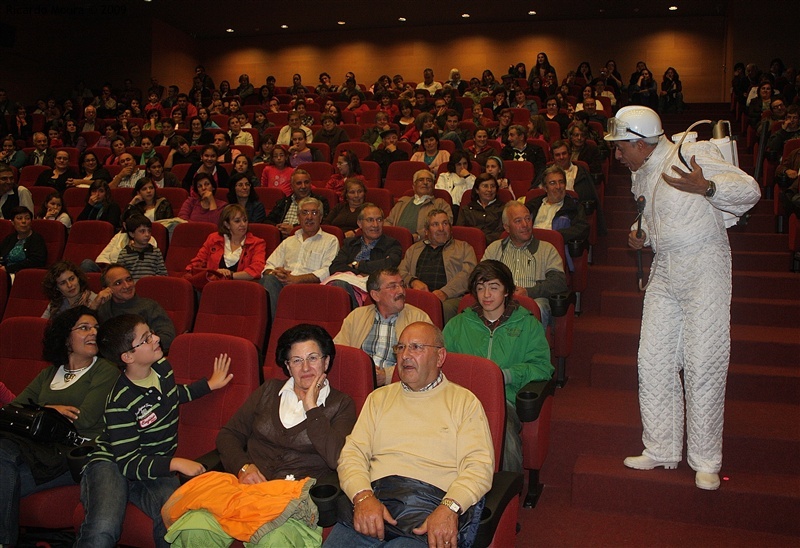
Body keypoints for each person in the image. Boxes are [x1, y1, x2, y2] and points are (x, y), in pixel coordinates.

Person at [606, 105, 760, 491]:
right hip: (665, 268)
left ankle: (706, 460)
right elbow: (655, 217)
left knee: (703, 362)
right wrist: (639, 235)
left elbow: (750, 191)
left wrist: (706, 187)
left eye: (621, 146)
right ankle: (661, 447)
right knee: (653, 359)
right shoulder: (640, 173)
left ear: (640, 143)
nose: (617, 154)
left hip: (705, 264)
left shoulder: (692, 154)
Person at [163, 323, 357, 546]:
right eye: (296, 360)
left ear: (326, 361)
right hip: (245, 494)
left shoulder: (341, 404)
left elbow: (336, 458)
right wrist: (243, 467)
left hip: (292, 504)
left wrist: (312, 408)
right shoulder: (269, 391)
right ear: (287, 366)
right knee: (195, 529)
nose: (305, 368)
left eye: (313, 358)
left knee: (272, 540)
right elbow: (228, 435)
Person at [325, 321, 493, 547]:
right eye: (401, 348)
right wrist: (362, 496)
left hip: (429, 511)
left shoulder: (464, 402)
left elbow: (479, 466)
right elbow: (352, 455)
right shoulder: (379, 398)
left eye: (416, 347)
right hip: (374, 505)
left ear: (440, 357)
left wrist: (449, 507)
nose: (405, 356)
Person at [75, 313, 232, 548]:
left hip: (151, 465)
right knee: (104, 526)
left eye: (151, 333)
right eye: (146, 338)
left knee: (174, 517)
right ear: (127, 356)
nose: (156, 338)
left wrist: (208, 385)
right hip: (113, 462)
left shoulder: (162, 368)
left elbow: (170, 396)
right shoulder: (120, 401)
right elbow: (127, 463)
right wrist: (175, 463)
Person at [0, 307, 118, 548]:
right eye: (84, 327)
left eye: (96, 327)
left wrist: (42, 411)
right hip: (36, 451)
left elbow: (83, 420)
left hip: (73, 455)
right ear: (66, 337)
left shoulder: (105, 370)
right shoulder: (49, 374)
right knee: (4, 453)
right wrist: (52, 408)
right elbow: (13, 411)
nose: (93, 332)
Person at [443, 260, 552, 472]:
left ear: (507, 291)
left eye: (494, 287)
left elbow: (542, 367)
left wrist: (507, 375)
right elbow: (443, 363)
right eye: (480, 288)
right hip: (461, 399)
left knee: (503, 431)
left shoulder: (527, 324)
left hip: (505, 399)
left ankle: (505, 492)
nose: (486, 295)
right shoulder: (458, 324)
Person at [334, 267, 432, 386]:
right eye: (393, 286)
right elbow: (339, 352)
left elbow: (427, 359)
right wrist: (362, 372)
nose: (401, 290)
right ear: (375, 295)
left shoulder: (418, 319)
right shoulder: (357, 316)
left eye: (401, 284)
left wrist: (388, 375)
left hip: (399, 386)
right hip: (359, 382)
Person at [483, 201, 568, 327]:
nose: (525, 225)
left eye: (528, 219)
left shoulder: (547, 249)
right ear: (506, 227)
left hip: (533, 300)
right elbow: (481, 278)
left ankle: (533, 346)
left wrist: (529, 292)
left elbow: (558, 282)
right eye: (518, 221)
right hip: (500, 301)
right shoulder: (494, 249)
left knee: (538, 306)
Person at [261, 197, 339, 319]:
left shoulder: (330, 240)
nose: (309, 217)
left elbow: (327, 270)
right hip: (283, 286)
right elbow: (268, 266)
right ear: (298, 217)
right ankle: (274, 326)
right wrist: (276, 273)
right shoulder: (288, 241)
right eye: (305, 213)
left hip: (311, 288)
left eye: (314, 213)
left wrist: (296, 279)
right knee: (269, 279)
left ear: (321, 217)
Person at [399, 209, 477, 324]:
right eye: (435, 224)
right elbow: (400, 271)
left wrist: (445, 292)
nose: (441, 228)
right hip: (418, 295)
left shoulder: (464, 248)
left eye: (445, 223)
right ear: (426, 230)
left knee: (442, 309)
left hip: (451, 297)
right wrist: (412, 281)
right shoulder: (414, 249)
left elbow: (469, 274)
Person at [328, 204, 403, 308]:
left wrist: (356, 265)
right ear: (360, 223)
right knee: (336, 287)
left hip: (375, 288)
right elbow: (335, 267)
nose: (375, 225)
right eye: (370, 220)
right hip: (349, 285)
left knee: (340, 286)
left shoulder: (392, 244)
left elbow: (388, 265)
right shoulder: (350, 244)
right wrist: (359, 274)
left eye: (379, 220)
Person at [96, 263, 177, 352]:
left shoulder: (149, 306)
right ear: (106, 289)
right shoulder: (103, 310)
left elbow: (168, 337)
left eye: (129, 279)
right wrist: (94, 305)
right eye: (118, 283)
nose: (127, 286)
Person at [185, 203, 267, 286]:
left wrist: (230, 275)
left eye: (245, 220)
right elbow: (198, 262)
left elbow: (257, 269)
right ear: (227, 224)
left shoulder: (257, 243)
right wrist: (214, 272)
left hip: (241, 287)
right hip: (213, 286)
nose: (243, 224)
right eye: (237, 221)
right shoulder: (213, 239)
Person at [527, 165, 590, 261]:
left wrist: (555, 236)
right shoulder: (532, 205)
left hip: (555, 252)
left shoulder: (573, 206)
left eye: (561, 182)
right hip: (529, 248)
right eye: (552, 183)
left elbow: (582, 228)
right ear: (545, 187)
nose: (558, 187)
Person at [385, 169, 453, 243]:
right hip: (395, 242)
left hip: (424, 244)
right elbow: (388, 222)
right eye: (421, 180)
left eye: (429, 180)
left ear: (433, 186)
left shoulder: (440, 204)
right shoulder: (402, 202)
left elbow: (447, 224)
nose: (425, 183)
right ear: (414, 186)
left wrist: (419, 236)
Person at [265, 169, 330, 238]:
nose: (303, 186)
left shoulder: (319, 201)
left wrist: (294, 228)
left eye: (306, 182)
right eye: (299, 183)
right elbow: (268, 221)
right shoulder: (284, 202)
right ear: (292, 186)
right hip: (283, 239)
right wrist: (278, 228)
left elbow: (321, 222)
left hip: (309, 237)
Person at [41, 260, 105, 319]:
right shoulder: (55, 304)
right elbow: (43, 326)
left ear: (78, 278)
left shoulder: (94, 300)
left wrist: (92, 308)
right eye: (63, 283)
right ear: (57, 288)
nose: (69, 285)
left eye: (72, 279)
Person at [456, 173, 506, 245]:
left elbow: (502, 232)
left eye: (493, 186)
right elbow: (461, 232)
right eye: (485, 186)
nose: (489, 190)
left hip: (495, 247)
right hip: (470, 247)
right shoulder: (467, 209)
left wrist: (483, 240)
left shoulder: (504, 208)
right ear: (477, 190)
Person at [115, 214, 168, 281]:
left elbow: (163, 274)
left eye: (149, 231)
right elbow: (119, 275)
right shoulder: (124, 254)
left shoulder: (156, 252)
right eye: (142, 231)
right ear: (132, 234)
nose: (147, 234)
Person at [0, 206, 47, 277]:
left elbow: (36, 261)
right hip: (5, 274)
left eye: (27, 218)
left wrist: (8, 269)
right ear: (12, 222)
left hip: (24, 275)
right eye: (19, 218)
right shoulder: (10, 238)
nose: (24, 221)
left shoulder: (36, 239)